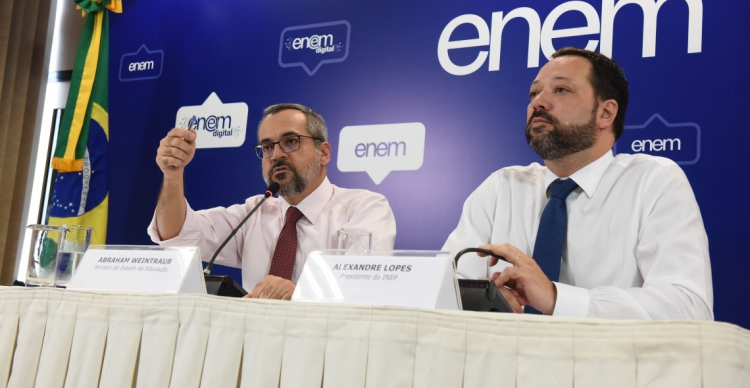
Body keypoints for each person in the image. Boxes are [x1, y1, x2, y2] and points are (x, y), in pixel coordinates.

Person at [442, 47, 713, 320]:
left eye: (561, 90)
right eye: (534, 93)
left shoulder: (653, 182)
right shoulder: (501, 188)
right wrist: (482, 300)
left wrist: (555, 298)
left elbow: (689, 309)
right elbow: (438, 292)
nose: (539, 103)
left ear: (605, 113)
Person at [148, 103, 397, 300]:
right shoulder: (254, 212)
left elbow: (362, 288)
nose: (276, 154)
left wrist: (301, 294)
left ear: (323, 153)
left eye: (290, 142)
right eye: (267, 147)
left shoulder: (364, 208)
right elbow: (176, 234)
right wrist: (173, 175)